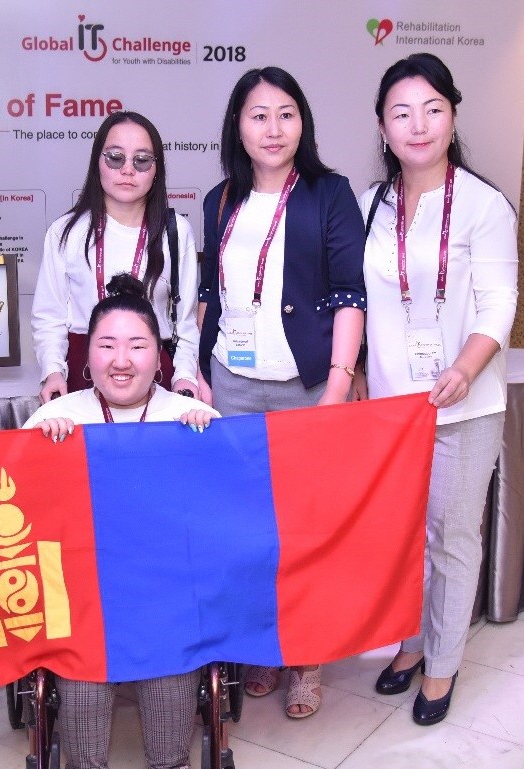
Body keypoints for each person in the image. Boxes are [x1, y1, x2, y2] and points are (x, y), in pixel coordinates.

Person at [197, 66, 366, 718]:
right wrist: (200, 376)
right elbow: (208, 297)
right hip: (232, 384)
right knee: (247, 528)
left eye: (285, 113)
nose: (272, 128)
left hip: (305, 385)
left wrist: (335, 385)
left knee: (306, 528)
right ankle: (261, 648)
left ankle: (306, 659)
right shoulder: (219, 199)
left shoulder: (328, 193)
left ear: (303, 123)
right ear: (237, 125)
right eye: (257, 114)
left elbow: (347, 294)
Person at [354, 52, 518, 726]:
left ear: (451, 117)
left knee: (451, 535)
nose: (416, 125)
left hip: (463, 402)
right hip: (392, 410)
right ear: (382, 126)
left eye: (431, 109)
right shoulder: (367, 205)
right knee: (405, 534)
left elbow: (498, 302)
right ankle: (412, 640)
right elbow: (354, 302)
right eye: (401, 112)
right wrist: (358, 369)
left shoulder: (483, 204)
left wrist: (464, 366)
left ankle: (442, 662)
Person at [24, 273, 216, 769]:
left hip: (168, 603)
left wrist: (205, 448)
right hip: (83, 602)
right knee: (83, 727)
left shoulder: (189, 417)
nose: (122, 360)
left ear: (159, 354)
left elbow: (223, 517)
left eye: (137, 345)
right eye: (106, 345)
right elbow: (18, 518)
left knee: (172, 728)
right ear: (87, 357)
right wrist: (39, 455)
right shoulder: (55, 418)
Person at [32, 111, 201, 403]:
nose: (128, 170)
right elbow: (50, 317)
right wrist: (53, 370)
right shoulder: (66, 232)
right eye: (115, 158)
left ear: (156, 169)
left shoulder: (176, 232)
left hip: (154, 374)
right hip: (82, 371)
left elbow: (184, 323)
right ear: (97, 162)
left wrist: (185, 376)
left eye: (142, 160)